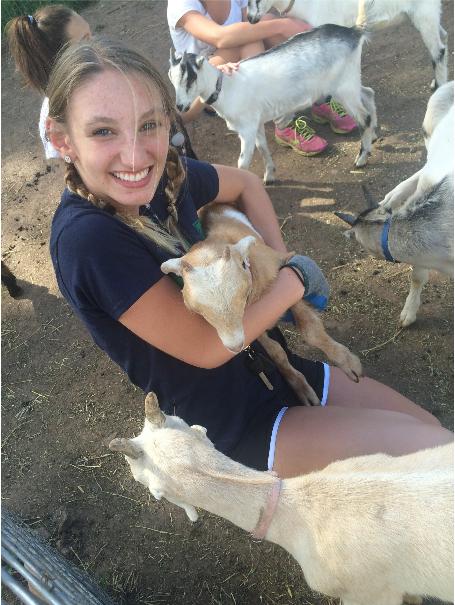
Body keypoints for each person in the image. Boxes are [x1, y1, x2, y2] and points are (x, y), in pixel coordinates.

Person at [47, 38, 451, 478]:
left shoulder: (166, 178)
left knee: (431, 431)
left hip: (278, 365)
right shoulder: (87, 240)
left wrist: (277, 258)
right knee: (432, 462)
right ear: (62, 139)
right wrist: (293, 279)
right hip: (229, 420)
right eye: (103, 131)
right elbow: (210, 347)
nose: (134, 154)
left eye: (149, 125)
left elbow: (245, 184)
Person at [167, 0, 357, 156]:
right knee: (259, 36)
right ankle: (284, 123)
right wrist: (282, 25)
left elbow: (247, 23)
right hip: (206, 81)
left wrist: (280, 27)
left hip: (237, 73)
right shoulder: (181, 4)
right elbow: (220, 38)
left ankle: (318, 96)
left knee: (265, 22)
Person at [6, 4, 91, 160]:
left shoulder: (102, 81)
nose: (97, 42)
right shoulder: (58, 116)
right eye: (86, 39)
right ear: (60, 57)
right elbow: (68, 165)